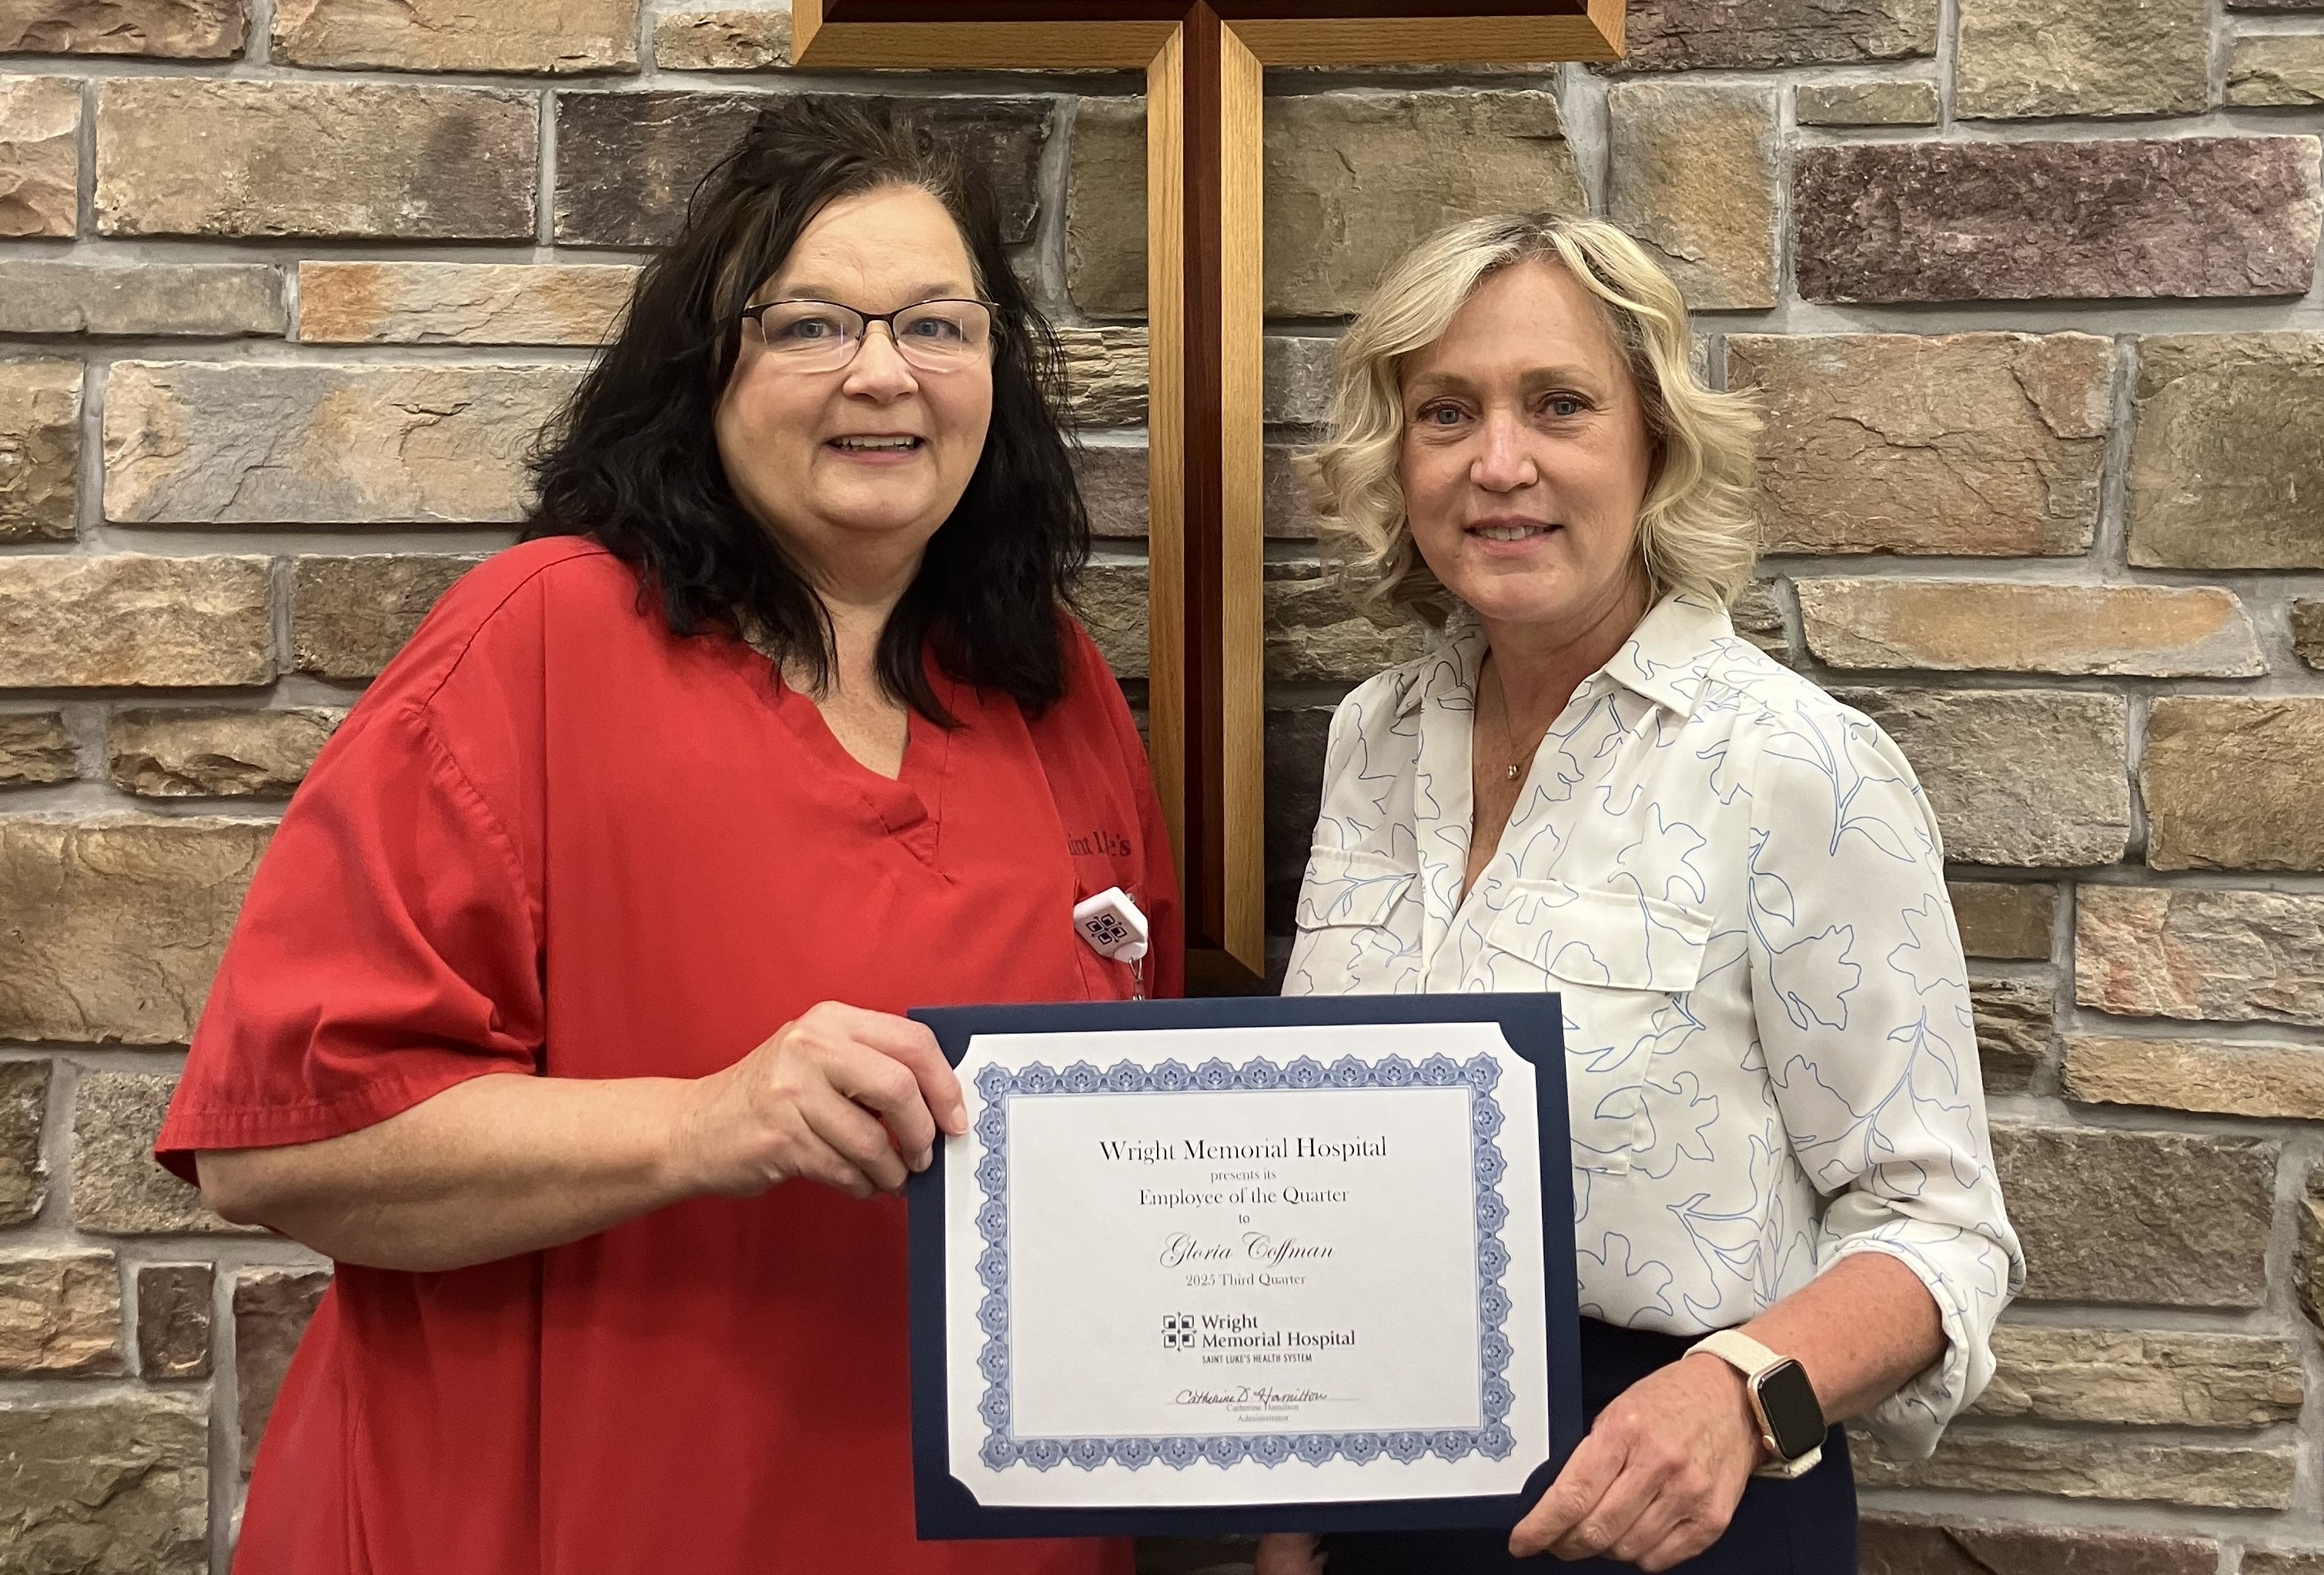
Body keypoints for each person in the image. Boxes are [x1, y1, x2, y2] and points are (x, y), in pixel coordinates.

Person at [156, 99, 1176, 1575]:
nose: (884, 372)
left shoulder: (1052, 683)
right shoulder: (537, 645)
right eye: (812, 325)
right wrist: (710, 1121)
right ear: (705, 366)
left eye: (939, 328)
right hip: (570, 1521)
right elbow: (287, 1143)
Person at [1259, 215, 2023, 1574]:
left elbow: (1942, 1232)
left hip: (1673, 1511)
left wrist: (1742, 1394)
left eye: (1559, 405)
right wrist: (1293, 1508)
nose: (1502, 465)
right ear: (1400, 456)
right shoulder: (1371, 738)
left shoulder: (1794, 765)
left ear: (1654, 444)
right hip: (1381, 1490)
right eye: (1447, 412)